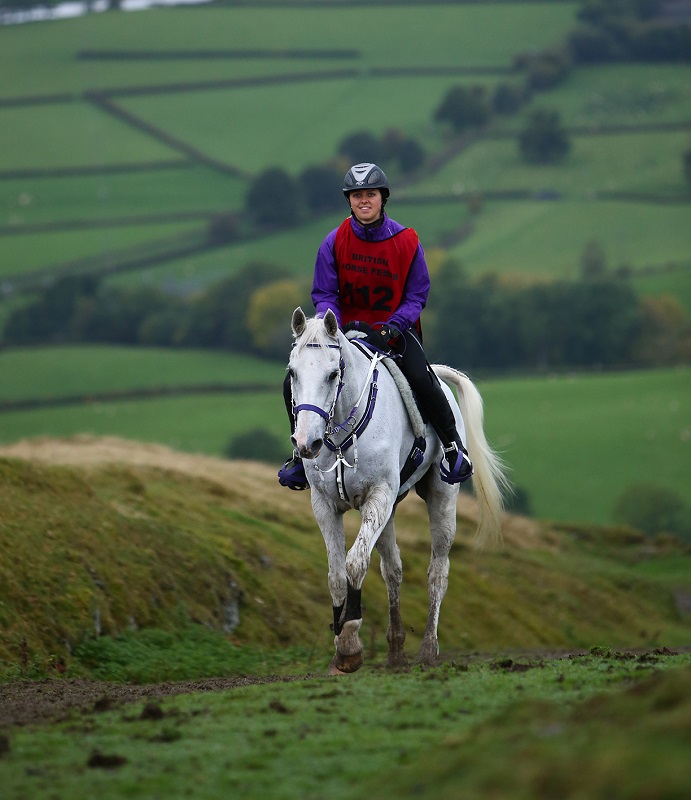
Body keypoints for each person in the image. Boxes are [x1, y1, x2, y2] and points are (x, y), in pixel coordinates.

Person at [278, 162, 473, 490]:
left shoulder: (407, 241)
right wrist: (332, 330)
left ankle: (454, 449)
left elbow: (416, 295)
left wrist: (394, 327)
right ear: (349, 201)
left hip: (393, 334)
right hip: (344, 334)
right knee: (291, 383)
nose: (363, 200)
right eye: (356, 195)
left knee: (423, 380)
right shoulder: (333, 242)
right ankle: (300, 458)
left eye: (370, 194)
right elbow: (325, 293)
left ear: (383, 198)